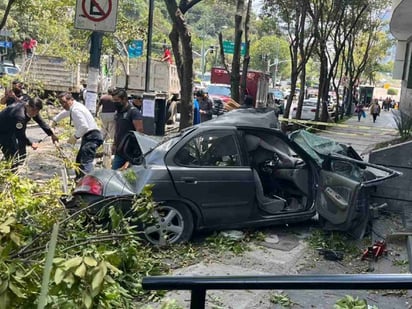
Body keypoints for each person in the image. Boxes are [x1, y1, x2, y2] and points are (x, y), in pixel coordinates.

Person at [52, 92, 103, 180]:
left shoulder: (76, 110)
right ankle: (80, 180)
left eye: (64, 102)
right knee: (79, 161)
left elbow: (84, 126)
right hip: (90, 136)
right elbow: (66, 113)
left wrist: (75, 137)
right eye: (61, 103)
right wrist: (55, 120)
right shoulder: (75, 107)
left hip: (92, 136)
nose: (63, 105)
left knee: (85, 161)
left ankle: (89, 183)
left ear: (71, 100)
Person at [0, 96, 58, 168]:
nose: (34, 114)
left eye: (37, 111)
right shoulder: (20, 116)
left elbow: (40, 121)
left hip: (10, 129)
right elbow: (20, 136)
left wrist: (51, 134)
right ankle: (9, 173)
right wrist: (31, 143)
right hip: (3, 132)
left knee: (13, 153)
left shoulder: (31, 109)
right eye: (33, 111)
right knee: (12, 157)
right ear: (27, 105)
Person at [111, 88, 143, 170]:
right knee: (114, 176)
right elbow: (118, 130)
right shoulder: (119, 112)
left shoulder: (133, 112)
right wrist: (114, 144)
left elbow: (140, 134)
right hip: (119, 152)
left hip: (130, 153)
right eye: (113, 100)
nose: (115, 102)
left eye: (117, 100)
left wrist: (130, 160)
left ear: (124, 99)